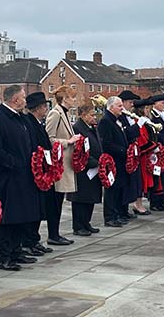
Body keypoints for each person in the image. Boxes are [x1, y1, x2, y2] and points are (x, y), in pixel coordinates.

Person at [0, 85, 42, 270]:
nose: (26, 101)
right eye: (23, 97)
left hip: (25, 175)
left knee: (22, 215)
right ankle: (5, 255)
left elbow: (31, 143)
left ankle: (17, 250)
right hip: (9, 177)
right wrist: (14, 163)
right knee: (9, 217)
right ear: (15, 99)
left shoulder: (22, 119)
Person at [20, 91, 56, 255]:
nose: (46, 109)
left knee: (40, 208)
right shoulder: (29, 122)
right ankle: (28, 240)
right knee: (33, 209)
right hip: (35, 171)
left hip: (42, 170)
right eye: (44, 106)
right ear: (38, 108)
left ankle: (34, 239)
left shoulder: (38, 122)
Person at [45, 86, 81, 245]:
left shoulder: (63, 113)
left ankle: (55, 233)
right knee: (56, 200)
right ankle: (53, 234)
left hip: (65, 163)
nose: (75, 100)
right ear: (65, 98)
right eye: (72, 98)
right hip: (58, 164)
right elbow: (49, 138)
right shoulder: (55, 114)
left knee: (59, 200)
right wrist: (69, 141)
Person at [67, 103, 103, 235]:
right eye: (91, 115)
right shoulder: (77, 128)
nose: (94, 117)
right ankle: (78, 226)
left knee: (91, 197)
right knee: (81, 199)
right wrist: (93, 162)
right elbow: (78, 151)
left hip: (94, 169)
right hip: (83, 168)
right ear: (83, 115)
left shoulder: (92, 128)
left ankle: (86, 223)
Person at [98, 96, 130, 227]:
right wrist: (123, 150)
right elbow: (106, 143)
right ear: (111, 107)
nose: (122, 108)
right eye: (119, 106)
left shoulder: (117, 120)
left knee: (118, 189)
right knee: (111, 190)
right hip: (112, 161)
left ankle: (116, 214)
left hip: (120, 161)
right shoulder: (106, 121)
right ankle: (110, 216)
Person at [117, 90, 143, 219]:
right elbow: (126, 133)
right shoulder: (121, 116)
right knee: (125, 183)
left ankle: (125, 209)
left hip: (131, 152)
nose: (131, 105)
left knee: (130, 182)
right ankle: (121, 211)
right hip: (125, 151)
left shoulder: (128, 116)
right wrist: (138, 126)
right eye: (130, 102)